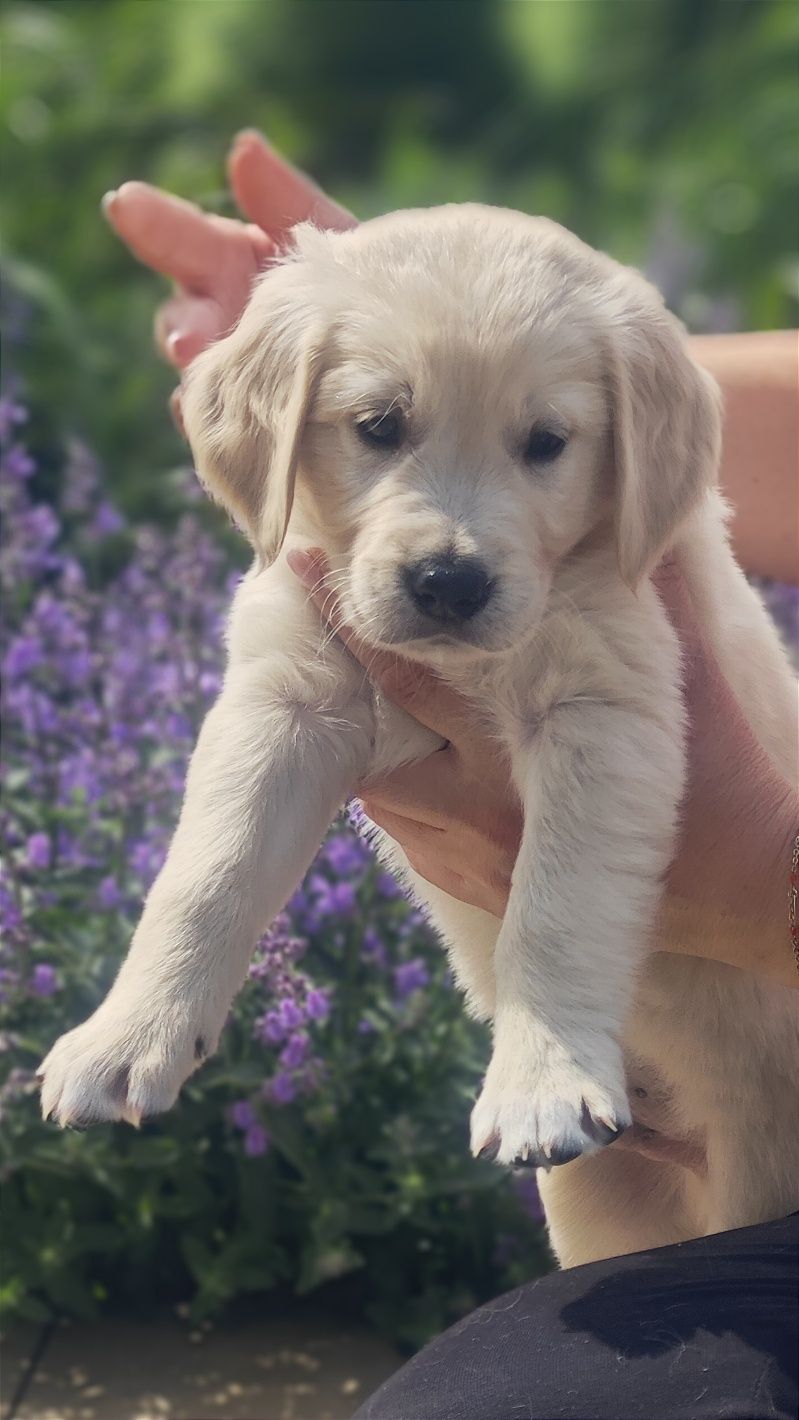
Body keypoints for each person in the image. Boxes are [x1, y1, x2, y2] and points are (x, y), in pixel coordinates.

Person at [105, 132, 799, 1419]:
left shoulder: (612, 565)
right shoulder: (331, 535)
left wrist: (756, 882)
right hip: (609, 1134)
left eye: (543, 443)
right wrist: (418, 301)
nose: (452, 546)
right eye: (380, 427)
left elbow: (612, 727)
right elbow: (278, 726)